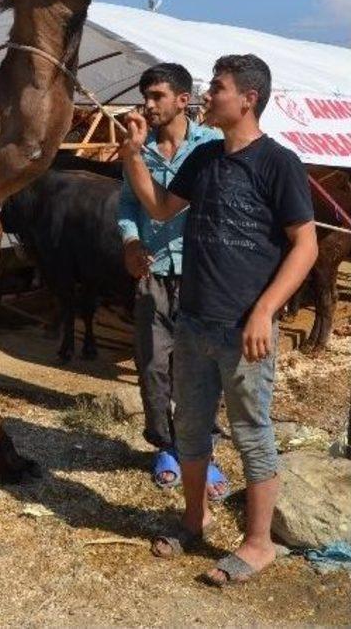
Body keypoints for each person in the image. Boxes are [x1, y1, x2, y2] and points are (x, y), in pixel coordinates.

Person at [120, 54, 317, 586]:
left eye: (219, 88)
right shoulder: (204, 160)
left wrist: (265, 311)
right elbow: (159, 209)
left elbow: (306, 244)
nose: (209, 95)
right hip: (194, 323)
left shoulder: (278, 163)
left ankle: (258, 544)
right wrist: (133, 155)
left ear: (248, 99)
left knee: (252, 432)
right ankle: (195, 517)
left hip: (244, 330)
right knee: (189, 427)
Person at [117, 63, 227, 499]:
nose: (148, 104)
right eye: (146, 95)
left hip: (201, 274)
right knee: (152, 363)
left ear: (184, 100)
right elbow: (128, 204)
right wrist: (129, 241)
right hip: (152, 272)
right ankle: (165, 446)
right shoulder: (137, 150)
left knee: (201, 367)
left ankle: (202, 450)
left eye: (158, 95)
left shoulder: (212, 145)